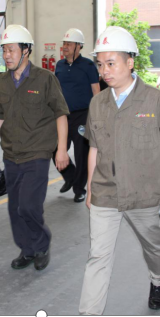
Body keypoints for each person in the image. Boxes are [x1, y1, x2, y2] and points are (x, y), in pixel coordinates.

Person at [79, 26, 160, 314]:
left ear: (130, 62)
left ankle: (159, 279)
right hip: (106, 192)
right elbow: (94, 149)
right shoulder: (97, 103)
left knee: (153, 247)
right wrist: (90, 188)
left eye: (111, 63)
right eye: (100, 64)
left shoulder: (155, 99)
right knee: (98, 257)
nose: (104, 71)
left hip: (144, 194)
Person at [0, 24, 70, 271]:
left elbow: (61, 114)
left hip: (37, 153)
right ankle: (27, 249)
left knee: (28, 206)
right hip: (11, 153)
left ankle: (42, 244)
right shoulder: (2, 82)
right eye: (4, 50)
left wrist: (61, 149)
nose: (6, 55)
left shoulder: (45, 79)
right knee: (15, 208)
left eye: (11, 50)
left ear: (26, 50)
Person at [53, 28, 100, 203]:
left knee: (82, 154)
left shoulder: (88, 66)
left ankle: (79, 189)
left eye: (69, 44)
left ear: (79, 46)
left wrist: (97, 117)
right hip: (62, 116)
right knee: (54, 148)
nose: (65, 47)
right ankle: (70, 177)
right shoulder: (59, 65)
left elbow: (96, 91)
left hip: (83, 116)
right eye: (64, 43)